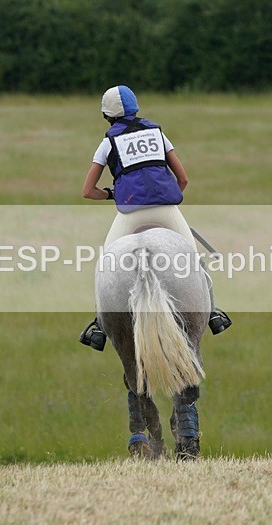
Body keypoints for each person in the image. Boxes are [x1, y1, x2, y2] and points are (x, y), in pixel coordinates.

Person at [79, 85, 231, 350]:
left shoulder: (108, 143)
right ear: (136, 108)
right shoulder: (157, 133)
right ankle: (213, 313)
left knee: (105, 266)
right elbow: (183, 179)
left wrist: (111, 194)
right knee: (195, 262)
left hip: (130, 214)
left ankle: (100, 327)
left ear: (106, 115)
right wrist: (167, 200)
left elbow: (87, 191)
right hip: (167, 209)